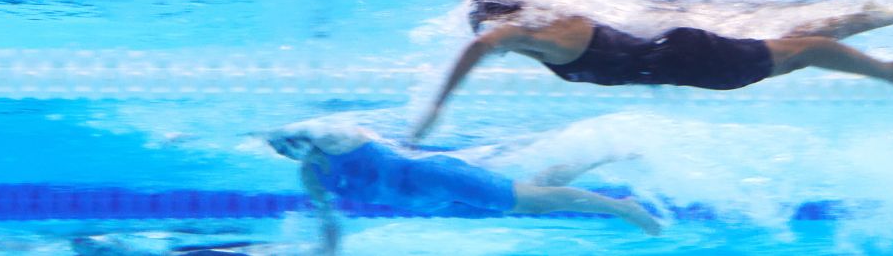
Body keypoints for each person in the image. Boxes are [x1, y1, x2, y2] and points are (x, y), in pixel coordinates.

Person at [410, 0, 893, 143]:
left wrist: (435, 107)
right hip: (680, 53)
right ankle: (869, 17)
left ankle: (892, 70)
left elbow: (484, 46)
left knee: (797, 52)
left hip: (692, 61)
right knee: (791, 49)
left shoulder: (537, 36)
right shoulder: (553, 22)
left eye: (489, 30)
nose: (493, 43)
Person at [264, 123, 661, 254]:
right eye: (281, 150)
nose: (287, 152)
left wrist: (298, 129)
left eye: (288, 144)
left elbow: (329, 130)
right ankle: (601, 155)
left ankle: (624, 207)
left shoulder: (337, 140)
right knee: (534, 195)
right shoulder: (310, 176)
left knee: (531, 202)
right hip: (431, 204)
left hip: (437, 177)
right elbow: (329, 222)